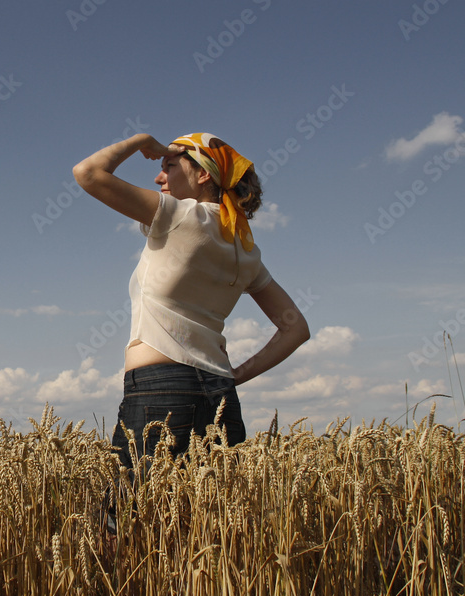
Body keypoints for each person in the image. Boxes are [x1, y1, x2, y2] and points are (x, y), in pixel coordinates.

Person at [73, 132, 310, 471]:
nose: (158, 176)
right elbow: (296, 328)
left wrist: (142, 139)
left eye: (169, 165)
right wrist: (236, 375)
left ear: (203, 175)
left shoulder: (179, 215)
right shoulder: (244, 247)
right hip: (220, 396)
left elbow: (88, 173)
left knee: (128, 516)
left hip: (160, 391)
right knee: (205, 520)